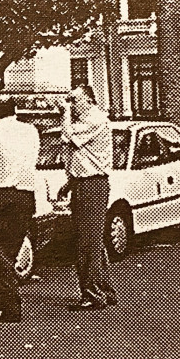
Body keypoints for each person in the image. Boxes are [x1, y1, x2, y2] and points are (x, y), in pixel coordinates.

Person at [0, 99, 40, 323]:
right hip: (25, 194)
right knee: (10, 251)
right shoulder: (31, 132)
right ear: (15, 111)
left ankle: (10, 305)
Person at [56, 84, 118, 311]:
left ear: (89, 100)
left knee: (87, 241)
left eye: (75, 99)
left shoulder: (95, 120)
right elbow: (81, 157)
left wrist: (65, 113)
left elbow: (68, 137)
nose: (72, 104)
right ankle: (103, 288)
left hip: (93, 184)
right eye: (70, 100)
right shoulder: (87, 121)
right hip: (84, 182)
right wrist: (70, 183)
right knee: (92, 239)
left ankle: (92, 293)